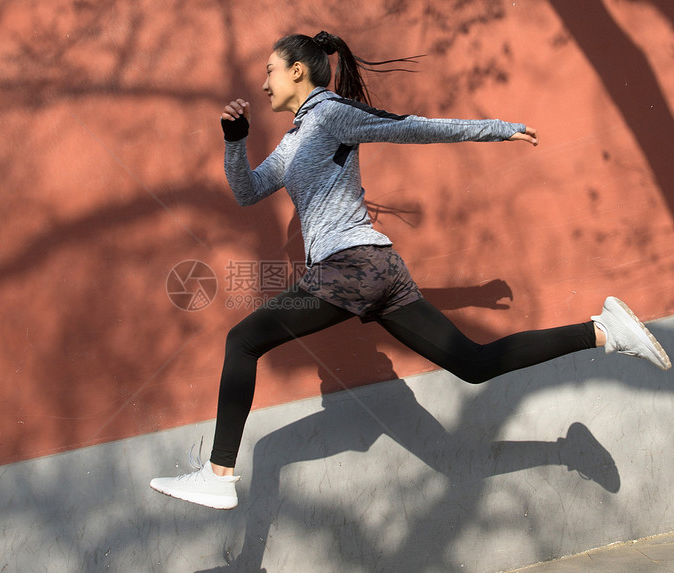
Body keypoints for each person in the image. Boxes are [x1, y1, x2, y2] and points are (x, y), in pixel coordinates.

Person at [150, 31, 671, 510]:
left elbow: (412, 128)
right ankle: (604, 332)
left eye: (269, 70)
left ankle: (219, 473)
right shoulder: (294, 140)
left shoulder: (330, 114)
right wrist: (235, 142)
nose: (261, 82)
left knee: (243, 341)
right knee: (474, 363)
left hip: (351, 268)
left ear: (297, 72)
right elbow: (245, 193)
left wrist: (496, 130)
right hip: (376, 272)